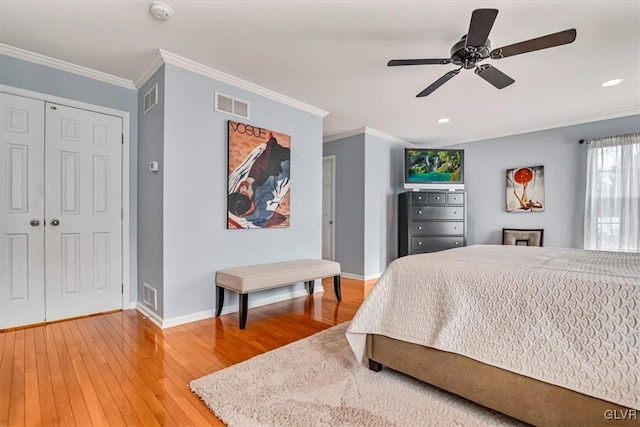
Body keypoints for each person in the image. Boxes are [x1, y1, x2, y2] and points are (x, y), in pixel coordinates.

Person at [228, 133, 290, 228]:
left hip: (266, 173)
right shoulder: (261, 213)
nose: (243, 189)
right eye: (246, 195)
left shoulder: (231, 193)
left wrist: (249, 180)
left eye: (240, 192)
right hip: (275, 176)